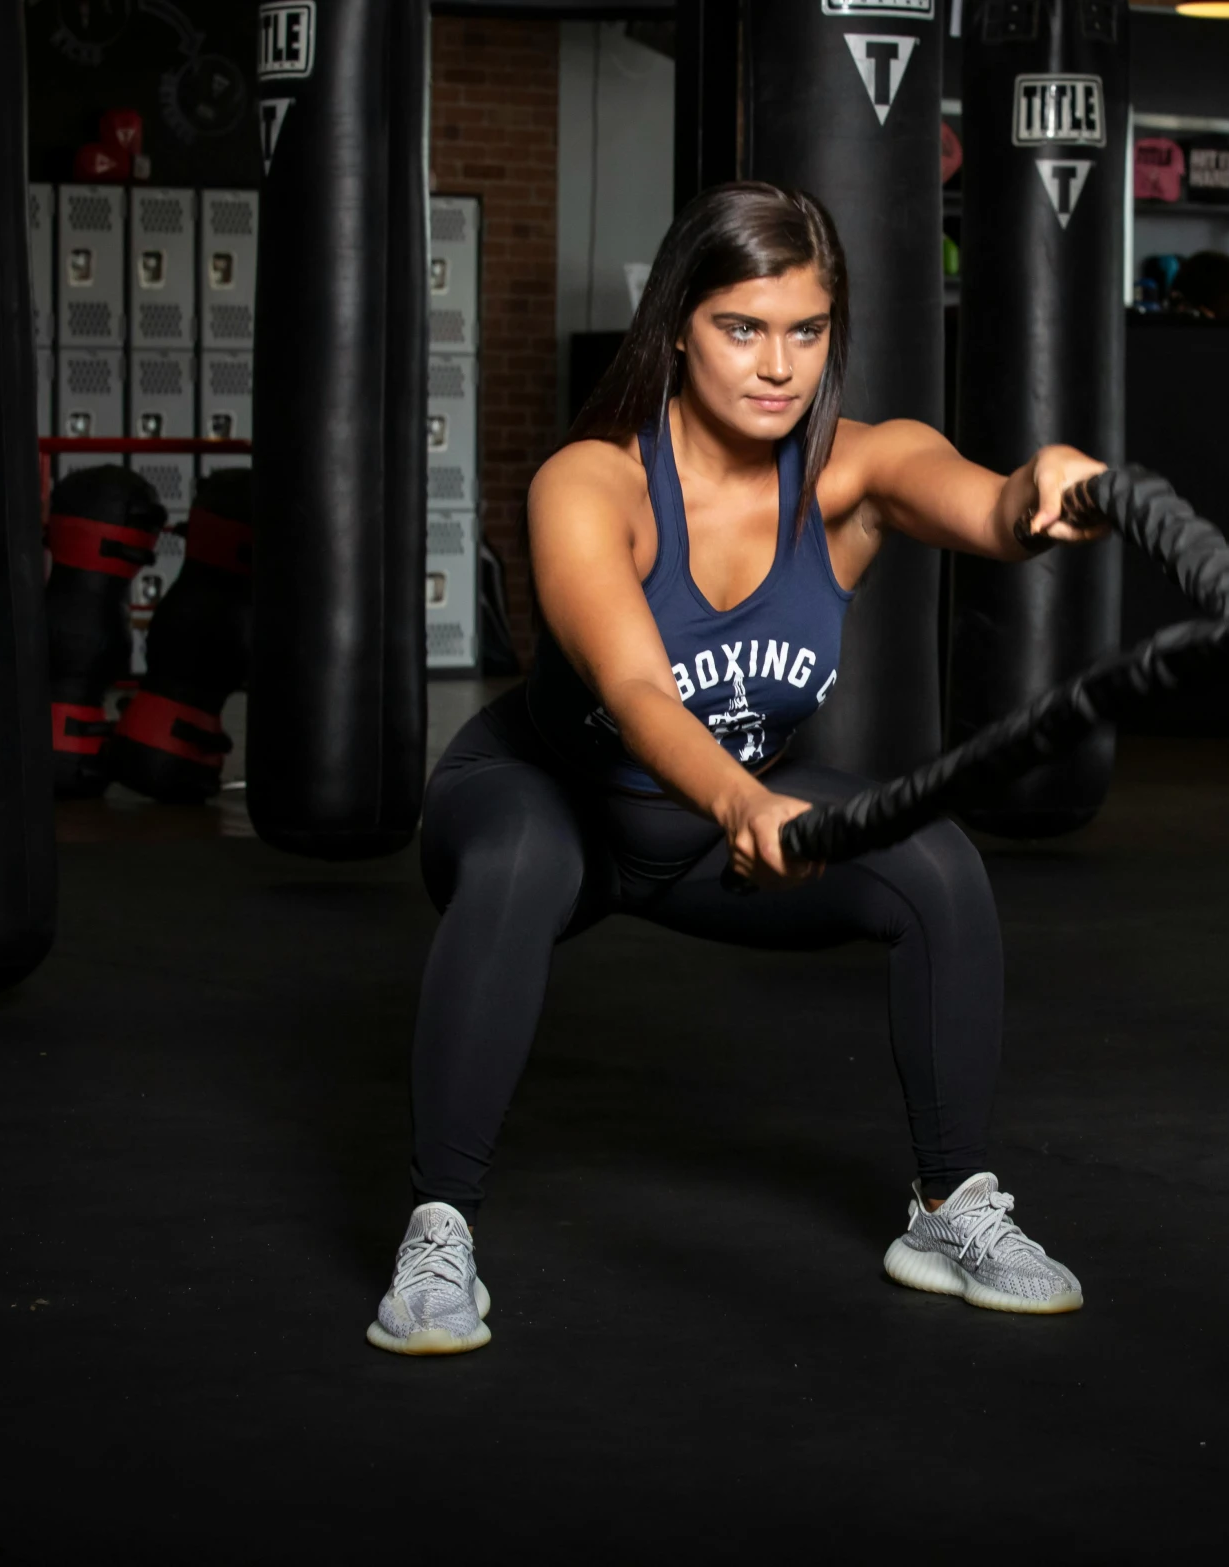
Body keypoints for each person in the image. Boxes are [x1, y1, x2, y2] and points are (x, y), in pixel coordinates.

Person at [367, 183, 1110, 1355]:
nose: (779, 367)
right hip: (550, 797)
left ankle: (947, 1209)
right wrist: (743, 800)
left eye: (806, 332)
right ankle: (436, 1234)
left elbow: (988, 503)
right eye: (742, 328)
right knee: (515, 864)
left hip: (713, 834)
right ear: (677, 324)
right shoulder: (591, 483)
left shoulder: (855, 474)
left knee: (936, 867)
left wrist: (1044, 492)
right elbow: (638, 692)